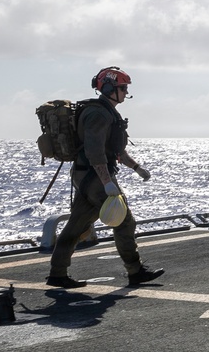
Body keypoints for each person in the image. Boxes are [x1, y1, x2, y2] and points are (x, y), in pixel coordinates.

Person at [46, 67, 164, 288]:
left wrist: (136, 167)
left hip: (86, 177)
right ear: (109, 88)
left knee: (76, 225)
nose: (125, 92)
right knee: (124, 221)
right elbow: (95, 151)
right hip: (95, 178)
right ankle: (135, 271)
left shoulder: (105, 111)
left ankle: (57, 273)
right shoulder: (98, 114)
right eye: (122, 88)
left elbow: (115, 150)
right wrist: (107, 182)